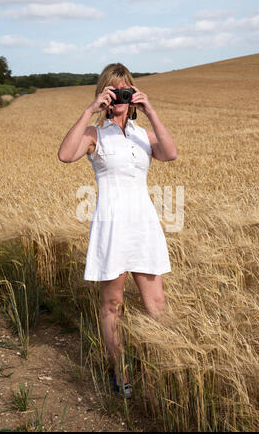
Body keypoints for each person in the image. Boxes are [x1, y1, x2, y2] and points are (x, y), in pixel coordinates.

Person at [58, 63, 177, 398]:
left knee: (157, 302)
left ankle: (168, 363)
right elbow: (65, 155)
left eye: (125, 89)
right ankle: (119, 370)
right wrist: (88, 112)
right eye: (112, 90)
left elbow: (170, 153)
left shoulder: (143, 135)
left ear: (133, 93)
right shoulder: (96, 135)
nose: (119, 96)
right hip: (111, 226)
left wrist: (150, 110)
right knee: (113, 305)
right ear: (104, 95)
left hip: (143, 225)